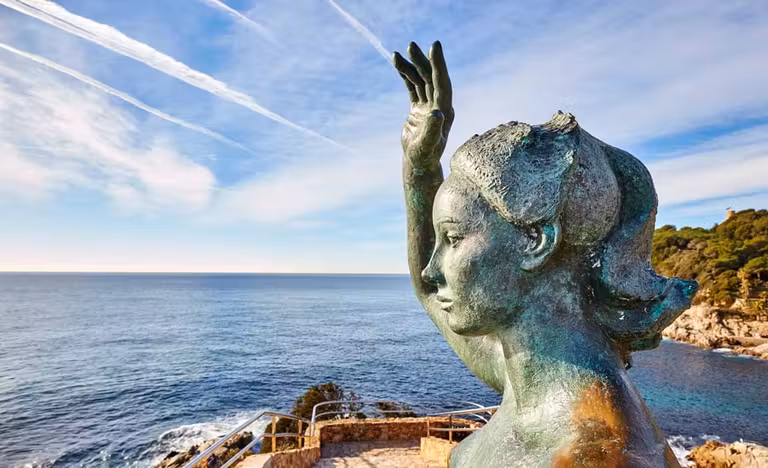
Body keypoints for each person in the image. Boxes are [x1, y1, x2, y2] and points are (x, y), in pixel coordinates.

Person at [393, 41, 696, 468]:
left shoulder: (597, 457)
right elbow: (428, 294)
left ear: (535, 239)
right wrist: (420, 170)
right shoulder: (532, 381)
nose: (430, 269)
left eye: (454, 237)